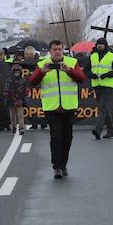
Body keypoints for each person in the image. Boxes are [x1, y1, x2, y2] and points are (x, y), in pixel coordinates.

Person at [28, 40, 87, 179]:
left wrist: (69, 71)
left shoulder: (71, 62)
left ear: (63, 50)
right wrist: (42, 72)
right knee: (56, 137)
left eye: (59, 49)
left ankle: (63, 164)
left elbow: (82, 79)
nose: (57, 51)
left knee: (67, 138)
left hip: (68, 107)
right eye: (54, 49)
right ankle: (57, 167)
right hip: (52, 107)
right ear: (50, 51)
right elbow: (31, 82)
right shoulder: (42, 64)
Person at [89, 38, 113, 140]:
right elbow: (87, 69)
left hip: (109, 87)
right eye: (98, 44)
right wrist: (91, 75)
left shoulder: (112, 56)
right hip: (97, 85)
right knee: (104, 109)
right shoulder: (92, 56)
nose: (100, 46)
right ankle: (110, 131)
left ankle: (98, 130)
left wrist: (107, 75)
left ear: (105, 45)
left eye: (102, 44)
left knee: (102, 107)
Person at [5, 61, 29, 136]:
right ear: (12, 72)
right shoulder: (9, 80)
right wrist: (6, 98)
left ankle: (21, 128)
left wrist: (25, 98)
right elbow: (6, 90)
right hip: (11, 99)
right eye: (15, 71)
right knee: (12, 116)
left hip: (19, 100)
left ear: (20, 72)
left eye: (18, 71)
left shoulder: (23, 80)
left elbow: (26, 90)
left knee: (20, 115)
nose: (16, 73)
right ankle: (14, 127)